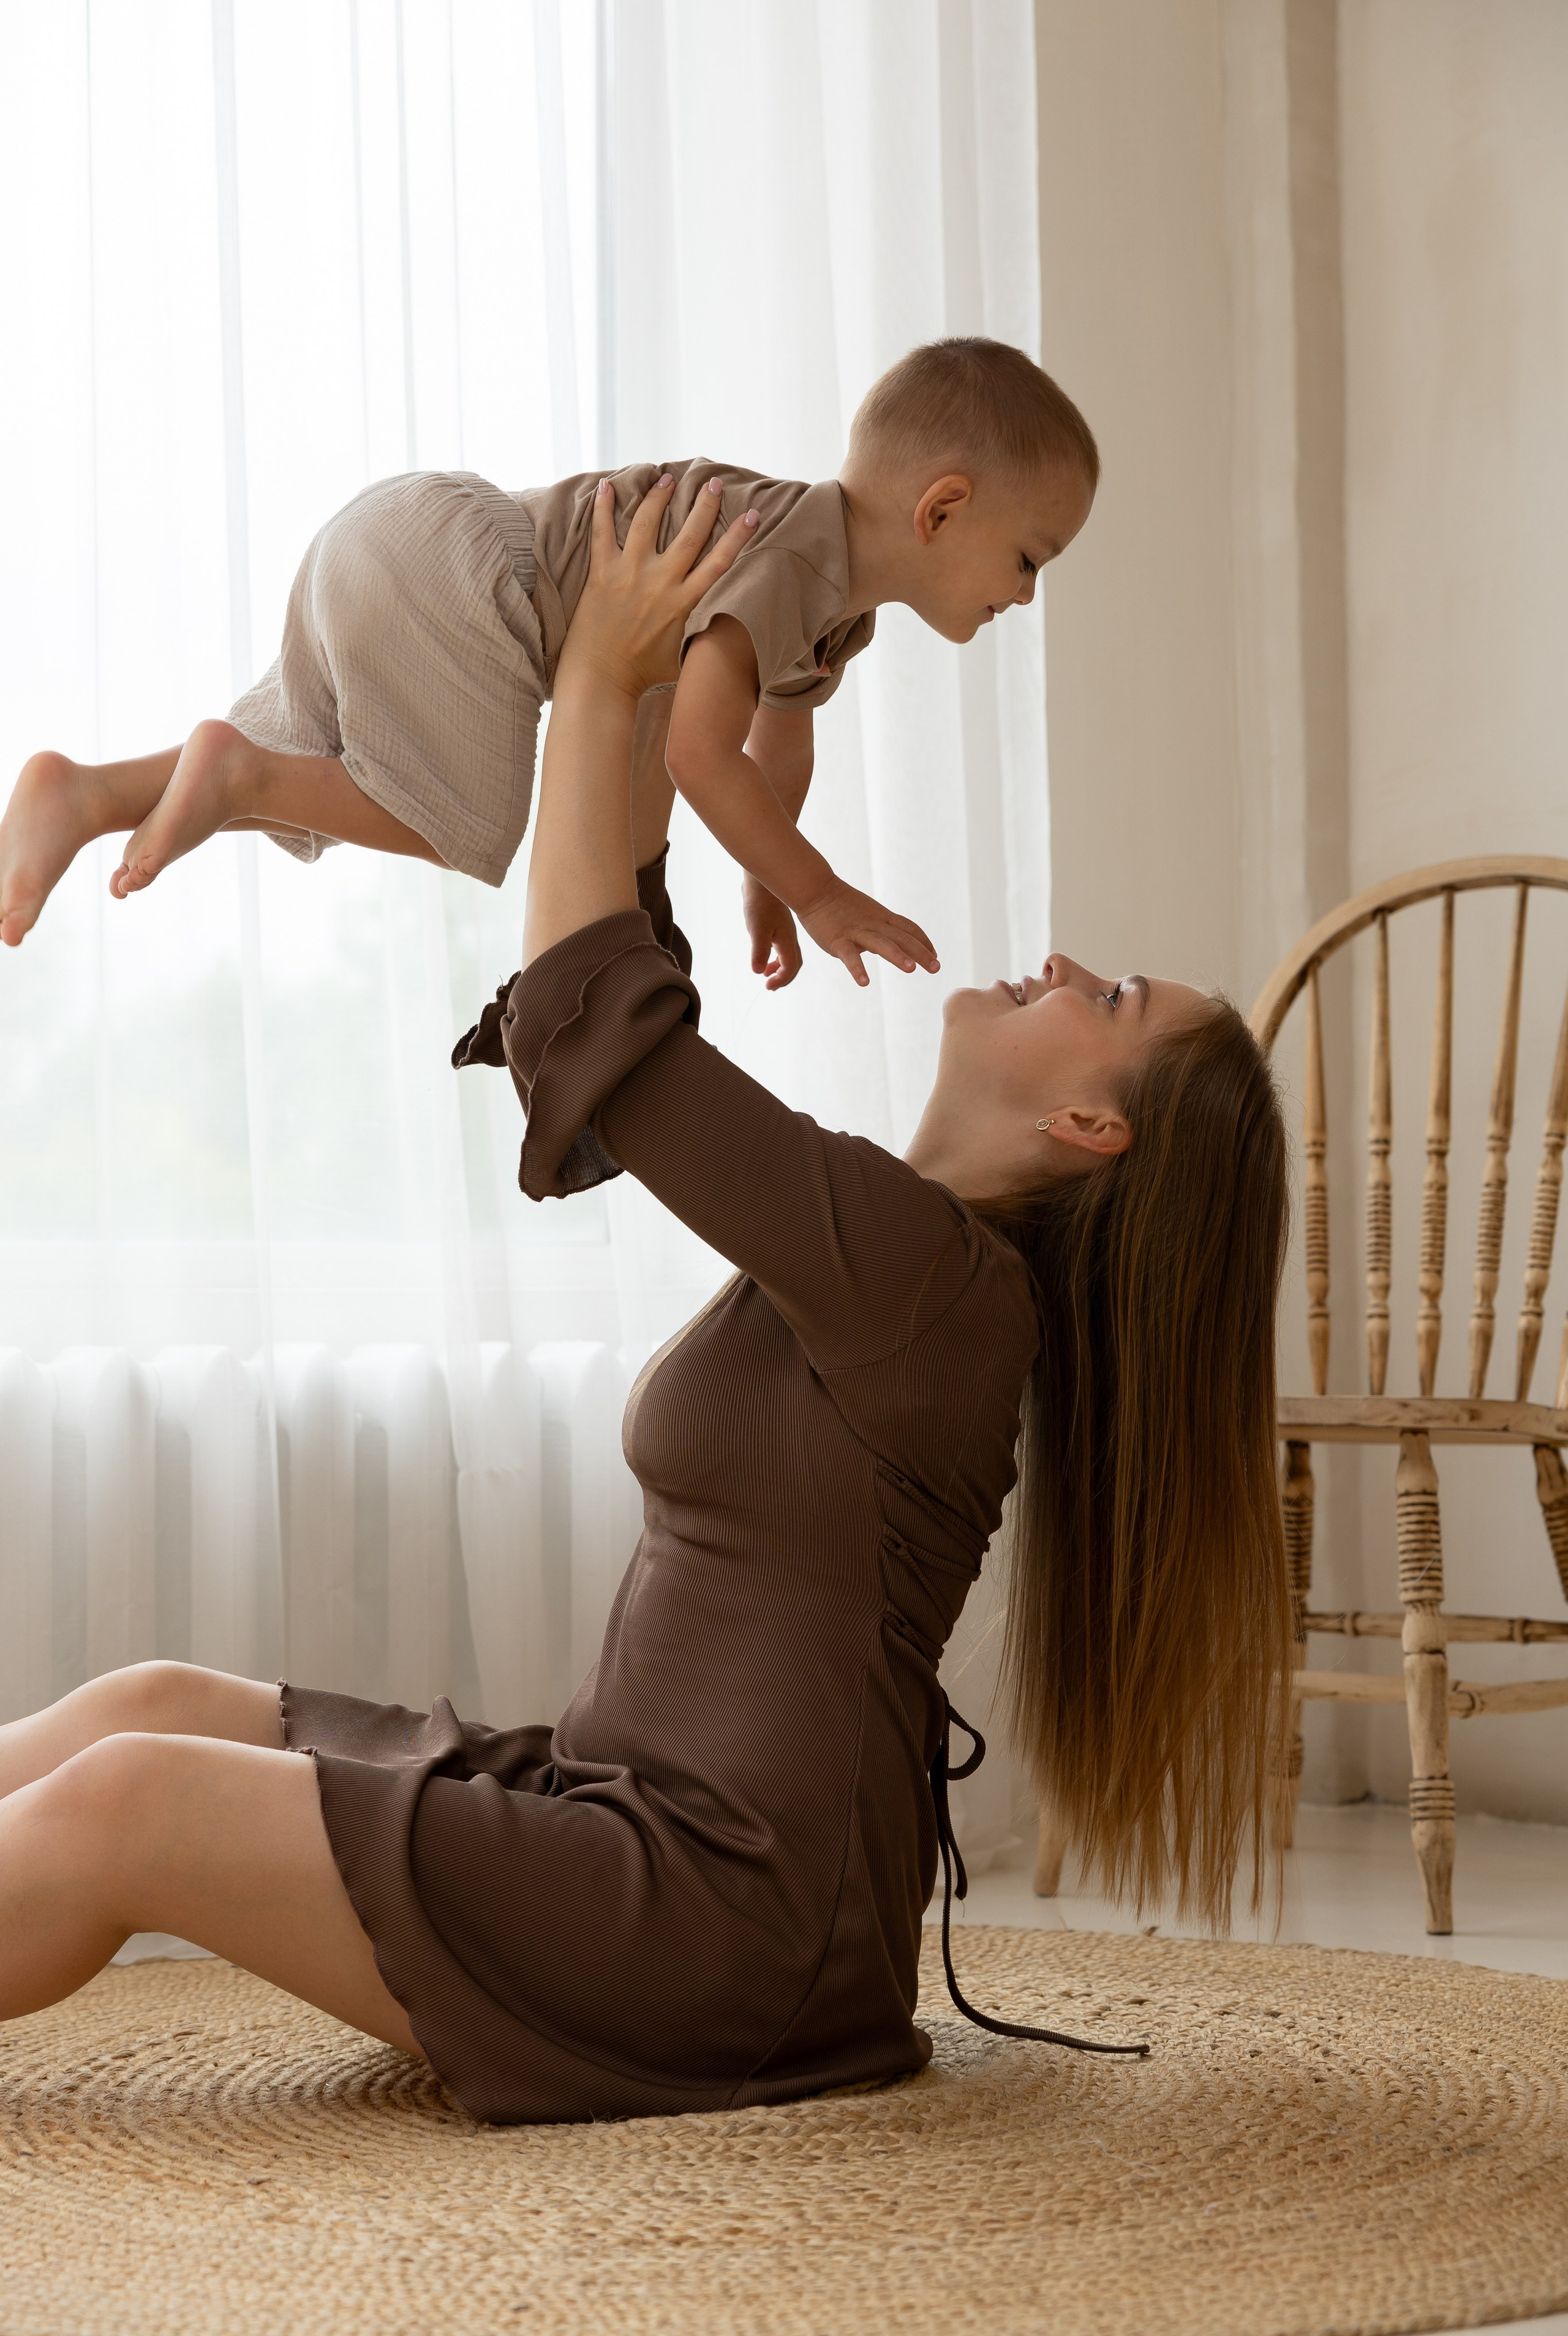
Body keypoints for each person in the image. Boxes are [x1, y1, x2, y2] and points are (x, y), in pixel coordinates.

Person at [0, 476, 1292, 2126]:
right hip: (623, 1821)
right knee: (152, 1707)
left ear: (1091, 1126)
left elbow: (600, 1025)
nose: (1057, 962)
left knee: (127, 1803)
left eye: (1108, 996)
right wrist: (624, 710)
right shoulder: (890, 1250)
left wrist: (604, 683)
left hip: (715, 1926)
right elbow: (615, 1043)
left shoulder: (936, 1288)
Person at [0, 338, 1096, 988]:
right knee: (470, 825)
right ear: (943, 508)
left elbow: (778, 747)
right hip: (461, 575)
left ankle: (86, 792)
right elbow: (706, 756)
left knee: (341, 769)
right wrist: (820, 895)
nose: (1027, 594)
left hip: (408, 545)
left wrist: (765, 889)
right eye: (1029, 558)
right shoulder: (791, 564)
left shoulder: (830, 610)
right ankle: (233, 774)